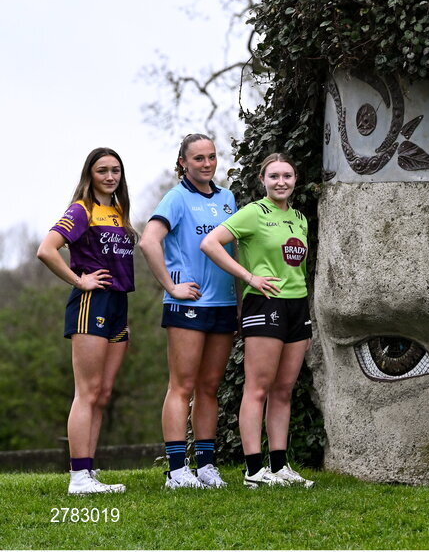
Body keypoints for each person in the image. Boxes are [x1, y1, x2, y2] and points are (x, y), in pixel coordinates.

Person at [200, 153, 314, 489]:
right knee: (258, 388)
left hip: (297, 306)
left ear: (295, 180)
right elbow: (210, 243)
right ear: (263, 180)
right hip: (265, 305)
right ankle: (253, 471)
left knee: (283, 390)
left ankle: (279, 468)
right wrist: (250, 277)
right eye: (274, 176)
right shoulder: (253, 212)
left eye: (288, 176)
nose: (282, 182)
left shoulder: (299, 218)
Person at [36, 148, 137, 495]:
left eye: (116, 171)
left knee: (103, 393)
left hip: (118, 305)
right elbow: (47, 249)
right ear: (89, 174)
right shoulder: (81, 209)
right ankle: (78, 477)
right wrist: (80, 281)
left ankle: (89, 473)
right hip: (91, 302)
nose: (110, 177)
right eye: (102, 171)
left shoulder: (119, 211)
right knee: (87, 392)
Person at [139, 134, 237, 489]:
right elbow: (149, 241)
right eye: (198, 158)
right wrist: (171, 285)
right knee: (181, 387)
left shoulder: (228, 198)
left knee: (209, 387)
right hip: (188, 305)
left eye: (211, 157)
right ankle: (177, 470)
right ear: (182, 162)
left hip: (224, 305)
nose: (207, 163)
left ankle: (207, 466)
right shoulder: (176, 197)